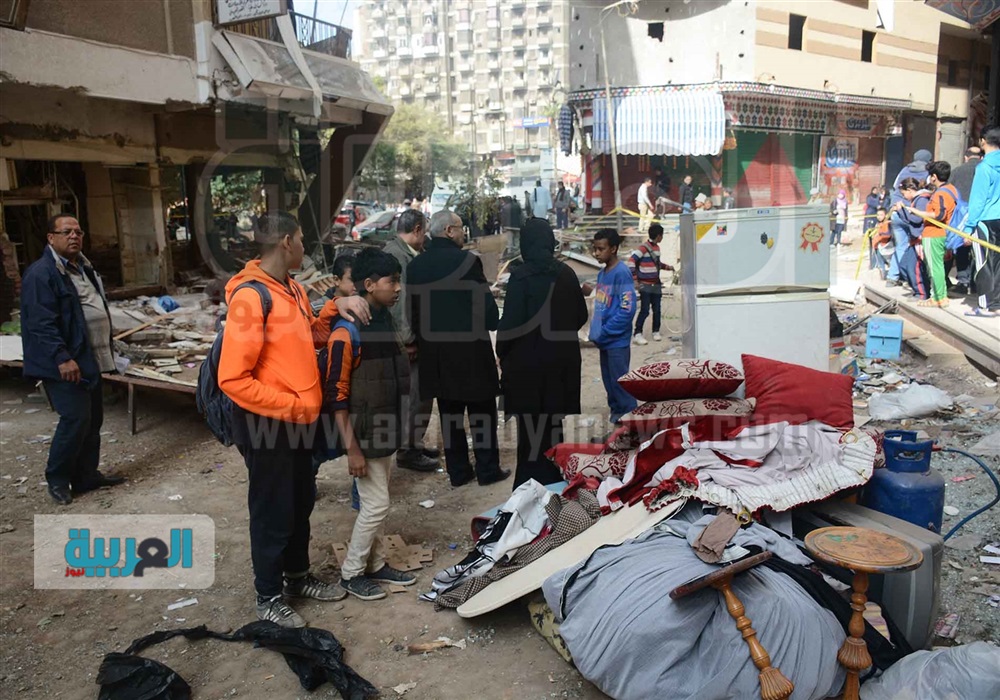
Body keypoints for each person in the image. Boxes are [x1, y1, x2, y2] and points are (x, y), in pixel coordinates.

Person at [218, 210, 370, 628]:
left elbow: (311, 337)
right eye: (301, 239)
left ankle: (297, 578)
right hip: (268, 424)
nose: (304, 246)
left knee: (300, 501)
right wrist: (294, 406)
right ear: (286, 242)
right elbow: (232, 379)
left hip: (298, 421)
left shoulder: (293, 289)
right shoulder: (252, 297)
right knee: (272, 509)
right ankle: (268, 597)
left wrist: (336, 306)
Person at [323, 248, 417, 601]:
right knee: (376, 505)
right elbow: (337, 396)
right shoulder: (347, 331)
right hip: (363, 436)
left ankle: (375, 564)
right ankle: (351, 573)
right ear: (369, 284)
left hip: (384, 429)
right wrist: (352, 449)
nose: (398, 288)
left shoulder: (383, 320)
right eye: (393, 281)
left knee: (374, 502)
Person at [20, 214, 125, 506]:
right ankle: (57, 479)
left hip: (89, 358)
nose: (74, 236)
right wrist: (62, 357)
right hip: (65, 363)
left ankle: (86, 476)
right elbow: (41, 323)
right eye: (66, 232)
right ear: (51, 238)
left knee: (93, 420)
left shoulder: (83, 268)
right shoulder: (42, 274)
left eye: (78, 231)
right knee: (75, 419)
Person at [407, 210, 510, 487]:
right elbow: (485, 308)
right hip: (470, 351)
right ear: (449, 231)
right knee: (482, 412)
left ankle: (459, 472)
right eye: (461, 227)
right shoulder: (467, 261)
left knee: (449, 415)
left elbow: (413, 312)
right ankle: (487, 470)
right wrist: (492, 320)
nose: (464, 232)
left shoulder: (416, 266)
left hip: (436, 355)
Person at [496, 219, 588, 489]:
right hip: (559, 366)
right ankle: (555, 481)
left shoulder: (520, 277)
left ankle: (529, 485)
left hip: (527, 369)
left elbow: (510, 324)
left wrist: (502, 352)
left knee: (530, 434)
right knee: (553, 427)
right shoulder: (566, 274)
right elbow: (580, 315)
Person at [382, 209, 439, 472]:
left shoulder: (403, 252)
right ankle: (408, 450)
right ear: (417, 229)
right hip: (406, 340)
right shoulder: (398, 257)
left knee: (419, 394)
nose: (425, 237)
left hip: (410, 336)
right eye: (424, 231)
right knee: (416, 395)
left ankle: (413, 443)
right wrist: (408, 339)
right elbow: (399, 303)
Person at [588, 228, 638, 425]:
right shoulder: (602, 274)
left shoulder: (621, 273)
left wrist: (606, 331)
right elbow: (602, 306)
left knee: (621, 385)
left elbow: (627, 309)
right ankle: (618, 420)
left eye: (601, 249)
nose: (596, 253)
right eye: (595, 249)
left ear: (614, 249)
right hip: (604, 341)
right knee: (610, 384)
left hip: (616, 341)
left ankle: (631, 422)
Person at [964, 126, 1000, 317]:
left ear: (983, 141)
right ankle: (997, 303)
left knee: (983, 262)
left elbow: (978, 200)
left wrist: (969, 227)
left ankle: (985, 306)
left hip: (985, 220)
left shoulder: (984, 167)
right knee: (998, 263)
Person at [887, 149, 933, 286]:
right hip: (913, 213)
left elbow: (894, 187)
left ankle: (892, 277)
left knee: (900, 246)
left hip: (896, 211)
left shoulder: (904, 170)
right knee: (916, 247)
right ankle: (913, 278)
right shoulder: (928, 173)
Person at [628, 223, 674, 346]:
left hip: (656, 284)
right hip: (645, 284)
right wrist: (635, 279)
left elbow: (657, 263)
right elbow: (631, 261)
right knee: (645, 310)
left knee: (657, 309)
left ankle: (656, 331)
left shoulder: (657, 248)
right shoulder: (643, 248)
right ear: (658, 236)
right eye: (662, 235)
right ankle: (637, 333)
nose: (662, 238)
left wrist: (669, 267)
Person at [920, 161, 958, 307]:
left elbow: (939, 215)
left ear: (934, 177)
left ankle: (937, 297)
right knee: (939, 266)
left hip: (933, 233)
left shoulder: (940, 193)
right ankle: (941, 295)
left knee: (934, 266)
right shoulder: (952, 189)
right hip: (945, 233)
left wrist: (918, 212)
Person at [948, 146, 983, 296]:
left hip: (961, 217)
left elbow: (950, 192)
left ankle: (963, 281)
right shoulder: (987, 170)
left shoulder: (957, 171)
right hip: (982, 216)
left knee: (962, 249)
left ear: (966, 157)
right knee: (980, 250)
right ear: (981, 157)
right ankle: (976, 283)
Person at [891, 179, 931, 300]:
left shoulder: (922, 200)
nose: (904, 197)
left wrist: (901, 210)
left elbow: (917, 219)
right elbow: (910, 220)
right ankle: (917, 289)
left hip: (919, 238)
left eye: (904, 194)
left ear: (909, 190)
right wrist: (901, 212)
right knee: (904, 265)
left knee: (913, 267)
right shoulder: (916, 200)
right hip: (913, 239)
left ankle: (921, 293)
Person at [870, 207, 891, 275]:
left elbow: (888, 234)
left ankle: (884, 273)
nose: (879, 217)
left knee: (883, 262)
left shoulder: (886, 223)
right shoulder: (878, 224)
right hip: (876, 246)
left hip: (883, 246)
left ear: (885, 215)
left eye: (881, 215)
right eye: (878, 215)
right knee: (878, 262)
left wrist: (880, 234)